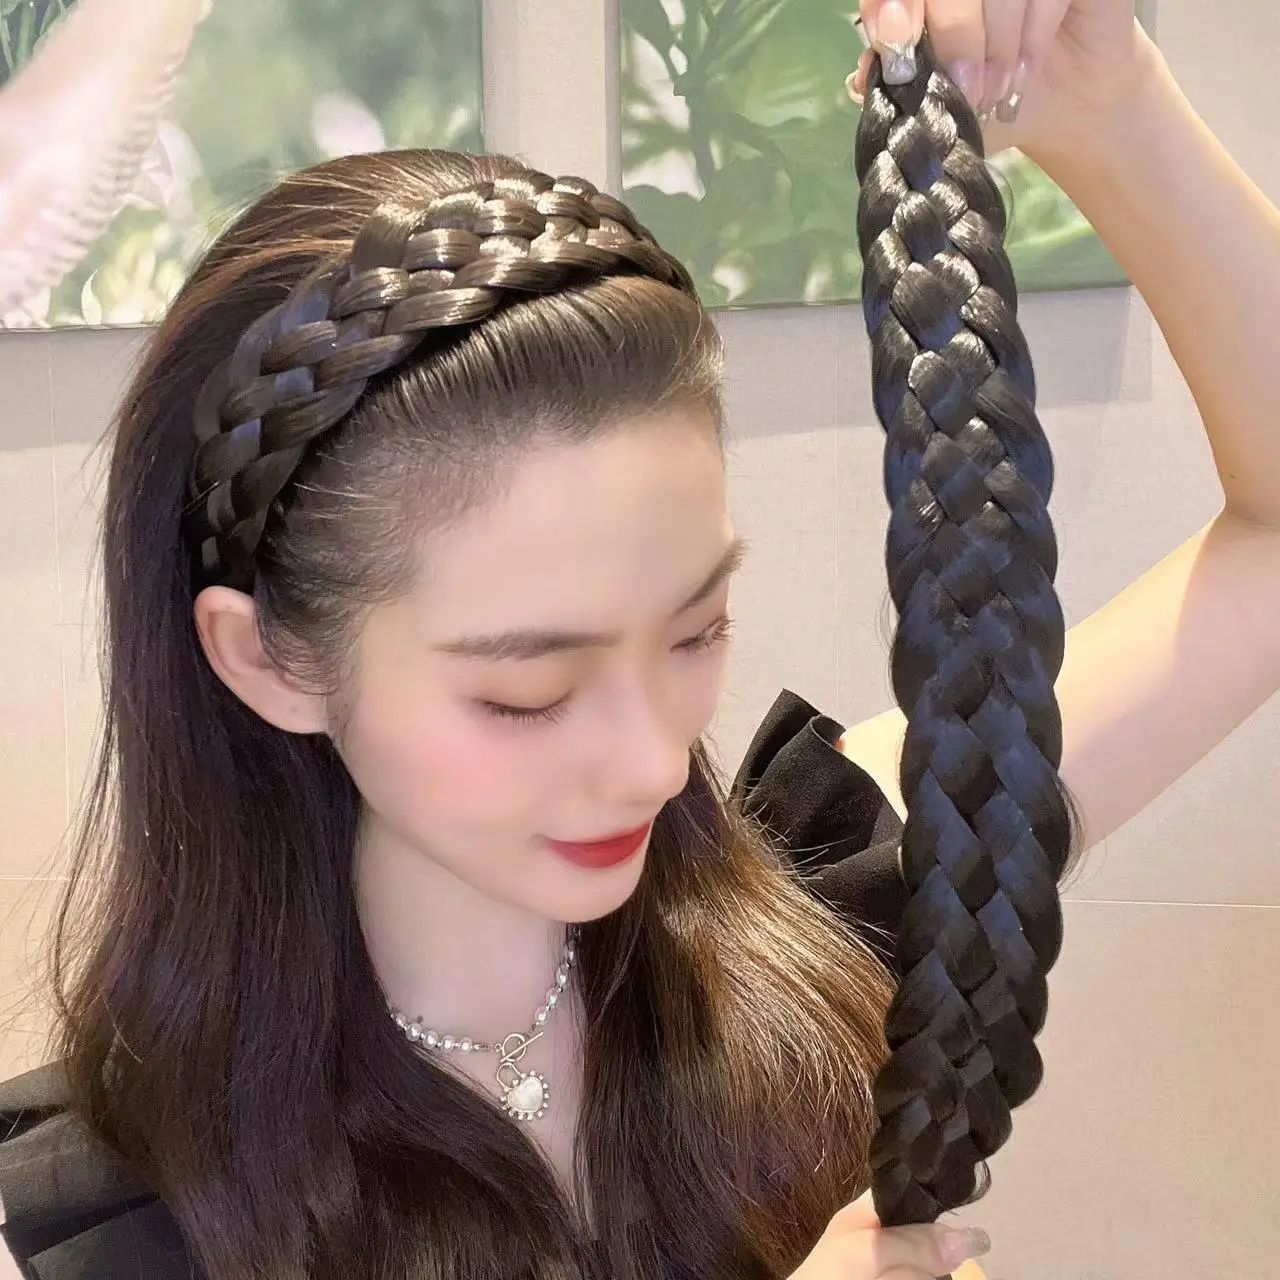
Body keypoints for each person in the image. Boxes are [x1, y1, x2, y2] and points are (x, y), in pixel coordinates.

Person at [2, 0, 1278, 1274]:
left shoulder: (823, 901)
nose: (653, 765)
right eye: (529, 691)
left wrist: (1108, 109)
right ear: (267, 658)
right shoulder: (105, 1228)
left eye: (694, 630)